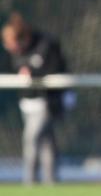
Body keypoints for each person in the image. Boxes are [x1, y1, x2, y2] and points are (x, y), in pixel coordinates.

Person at [2, 13, 68, 185]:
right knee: (46, 141)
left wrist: (34, 73)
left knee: (31, 138)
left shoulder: (46, 44)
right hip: (26, 102)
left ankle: (29, 180)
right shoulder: (13, 53)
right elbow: (11, 69)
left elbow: (57, 67)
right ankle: (51, 181)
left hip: (45, 101)